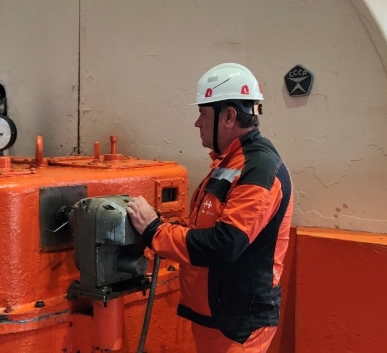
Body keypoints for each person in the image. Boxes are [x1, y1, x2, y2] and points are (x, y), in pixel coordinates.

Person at [126, 63, 293, 353]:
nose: (197, 123)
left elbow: (225, 244)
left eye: (203, 113)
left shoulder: (258, 169)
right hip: (216, 317)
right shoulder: (229, 163)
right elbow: (206, 225)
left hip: (239, 326)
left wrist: (155, 231)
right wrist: (168, 226)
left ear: (229, 116)